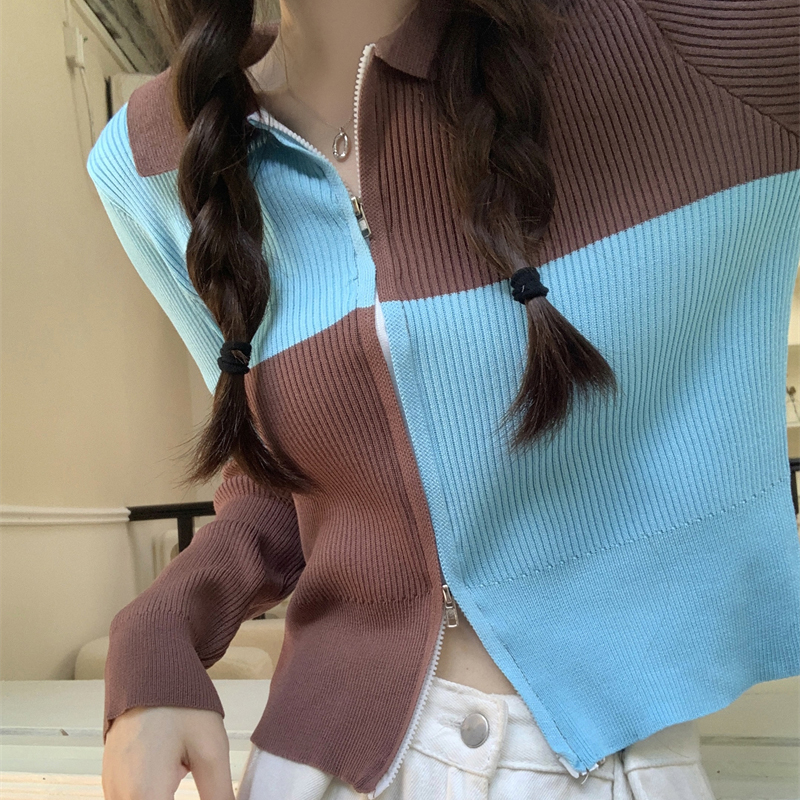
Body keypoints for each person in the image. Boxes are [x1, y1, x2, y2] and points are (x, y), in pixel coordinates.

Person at [87, 0, 800, 798]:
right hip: (317, 766)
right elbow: (287, 483)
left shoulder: (676, 41)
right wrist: (159, 629)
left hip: (591, 761)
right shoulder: (155, 156)